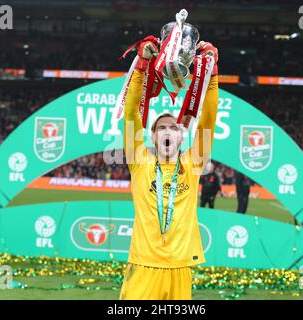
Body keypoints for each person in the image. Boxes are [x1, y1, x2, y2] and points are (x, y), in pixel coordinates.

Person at [119, 38, 219, 300]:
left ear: (181, 137)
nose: (166, 131)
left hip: (180, 268)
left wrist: (211, 74)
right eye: (160, 127)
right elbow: (131, 115)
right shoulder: (139, 161)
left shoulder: (192, 162)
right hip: (143, 265)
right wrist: (141, 67)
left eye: (173, 128)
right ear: (152, 138)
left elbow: (207, 121)